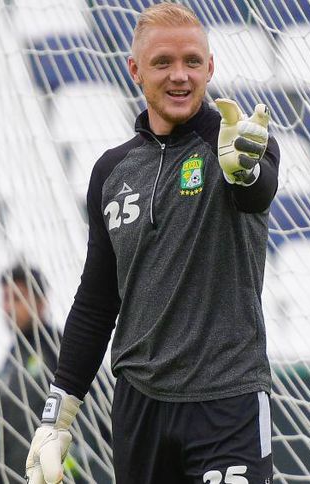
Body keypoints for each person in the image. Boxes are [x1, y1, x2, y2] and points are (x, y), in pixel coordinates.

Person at [26, 3, 280, 483]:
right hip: (139, 408)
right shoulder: (111, 172)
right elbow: (98, 299)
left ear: (210, 67)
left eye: (192, 61)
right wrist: (57, 417)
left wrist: (244, 171)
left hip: (227, 400)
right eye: (163, 62)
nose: (179, 75)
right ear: (135, 70)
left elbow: (257, 191)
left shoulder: (240, 142)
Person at [0, 263, 61, 483]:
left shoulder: (59, 349)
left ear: (41, 302)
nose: (9, 307)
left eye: (17, 298)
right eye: (6, 298)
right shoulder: (12, 356)